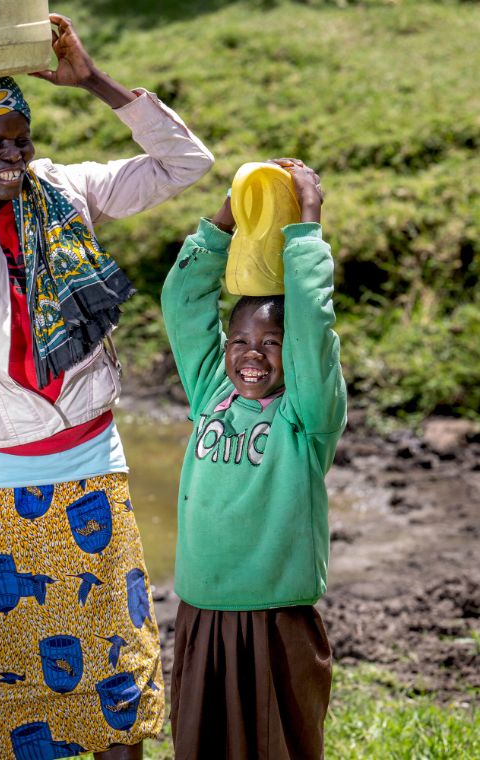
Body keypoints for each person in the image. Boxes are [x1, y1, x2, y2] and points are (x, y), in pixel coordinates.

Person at [0, 13, 214, 760]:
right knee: (21, 678)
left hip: (93, 461)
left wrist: (93, 80)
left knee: (117, 670)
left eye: (19, 137)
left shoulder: (63, 189)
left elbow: (184, 163)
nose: (12, 155)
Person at [160, 158, 347, 759]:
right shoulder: (210, 388)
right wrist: (226, 219)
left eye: (271, 344)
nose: (251, 356)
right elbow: (184, 301)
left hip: (276, 619)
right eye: (239, 340)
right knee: (201, 745)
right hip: (202, 613)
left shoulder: (306, 414)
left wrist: (306, 227)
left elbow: (313, 327)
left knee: (279, 747)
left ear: (290, 355)